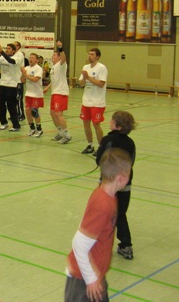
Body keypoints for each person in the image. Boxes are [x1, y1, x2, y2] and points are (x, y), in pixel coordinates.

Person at [64, 148, 132, 302]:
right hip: (83, 281)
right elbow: (79, 244)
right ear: (120, 178)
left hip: (95, 275)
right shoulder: (103, 204)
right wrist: (91, 279)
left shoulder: (108, 196)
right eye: (129, 174)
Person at [95, 111, 137, 260]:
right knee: (120, 214)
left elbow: (99, 160)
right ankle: (126, 246)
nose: (110, 122)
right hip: (125, 183)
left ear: (117, 125)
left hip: (108, 184)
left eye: (112, 120)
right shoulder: (130, 143)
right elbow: (131, 161)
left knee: (103, 213)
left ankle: (99, 244)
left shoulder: (107, 140)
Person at [80, 48, 108, 155]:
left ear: (97, 57)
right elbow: (81, 84)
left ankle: (101, 147)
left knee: (96, 124)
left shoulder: (102, 68)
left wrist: (88, 77)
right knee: (86, 124)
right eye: (89, 54)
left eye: (92, 54)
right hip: (86, 101)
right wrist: (84, 78)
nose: (90, 56)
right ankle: (90, 145)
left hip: (97, 102)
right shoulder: (85, 67)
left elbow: (101, 84)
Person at [44, 41, 71, 143]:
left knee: (58, 114)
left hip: (61, 92)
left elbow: (64, 57)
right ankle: (60, 132)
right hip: (54, 92)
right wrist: (48, 87)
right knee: (52, 113)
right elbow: (54, 80)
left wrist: (60, 48)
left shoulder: (61, 64)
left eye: (55, 55)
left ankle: (67, 135)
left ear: (59, 57)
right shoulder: (54, 67)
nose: (53, 57)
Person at [0, 43, 22, 132]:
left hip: (12, 85)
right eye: (6, 48)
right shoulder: (2, 57)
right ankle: (3, 123)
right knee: (1, 105)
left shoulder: (16, 57)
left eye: (9, 48)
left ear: (13, 51)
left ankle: (16, 125)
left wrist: (2, 52)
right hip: (3, 83)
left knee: (11, 105)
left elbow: (11, 61)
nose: (7, 50)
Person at [21, 53, 44, 137]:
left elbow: (35, 80)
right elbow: (22, 80)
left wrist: (26, 74)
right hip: (28, 93)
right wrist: (23, 73)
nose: (31, 59)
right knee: (27, 111)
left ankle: (39, 129)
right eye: (30, 57)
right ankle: (32, 128)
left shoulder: (38, 69)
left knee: (34, 112)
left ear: (37, 60)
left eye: (33, 58)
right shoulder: (27, 68)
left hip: (36, 94)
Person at [13, 42, 26, 121]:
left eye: (14, 45)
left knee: (18, 98)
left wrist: (23, 78)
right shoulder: (13, 54)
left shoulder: (19, 55)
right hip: (13, 80)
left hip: (19, 79)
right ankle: (15, 114)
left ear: (18, 47)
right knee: (13, 98)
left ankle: (21, 114)